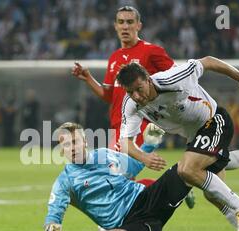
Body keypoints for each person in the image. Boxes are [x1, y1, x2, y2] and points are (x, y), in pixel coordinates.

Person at [116, 57, 239, 231]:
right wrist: (144, 157)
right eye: (130, 92)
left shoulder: (173, 78)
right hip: (195, 137)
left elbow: (208, 61)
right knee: (214, 195)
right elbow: (125, 142)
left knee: (187, 169)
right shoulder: (131, 104)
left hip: (214, 120)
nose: (137, 96)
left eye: (139, 88)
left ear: (148, 79)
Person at [44, 122, 204, 231]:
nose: (72, 148)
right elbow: (54, 212)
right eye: (66, 145)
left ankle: (212, 184)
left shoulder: (104, 154)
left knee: (188, 166)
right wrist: (51, 229)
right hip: (132, 227)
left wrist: (149, 144)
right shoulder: (65, 181)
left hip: (148, 199)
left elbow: (133, 166)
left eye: (75, 142)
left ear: (85, 142)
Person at [71, 6, 175, 150]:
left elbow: (177, 79)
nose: (125, 27)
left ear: (139, 25)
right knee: (117, 171)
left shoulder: (152, 51)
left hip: (142, 123)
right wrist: (89, 78)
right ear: (115, 26)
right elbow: (109, 96)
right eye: (121, 22)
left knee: (118, 170)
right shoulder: (114, 57)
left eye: (130, 22)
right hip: (118, 125)